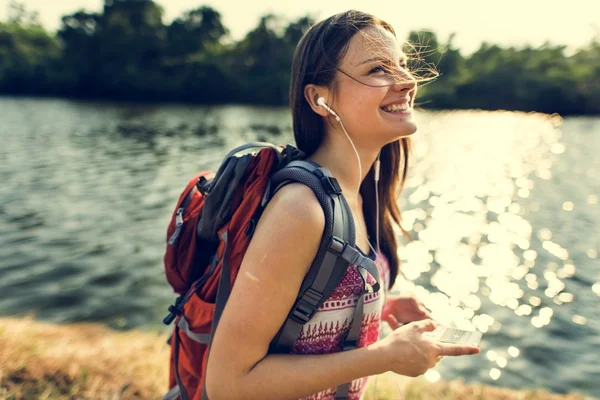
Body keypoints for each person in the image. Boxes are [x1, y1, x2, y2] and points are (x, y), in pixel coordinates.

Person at [205, 10, 480, 400]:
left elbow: (308, 305)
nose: (406, 81)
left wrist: (378, 306)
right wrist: (382, 356)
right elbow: (228, 385)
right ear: (320, 98)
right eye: (377, 70)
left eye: (401, 65)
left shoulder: (358, 194)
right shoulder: (301, 209)